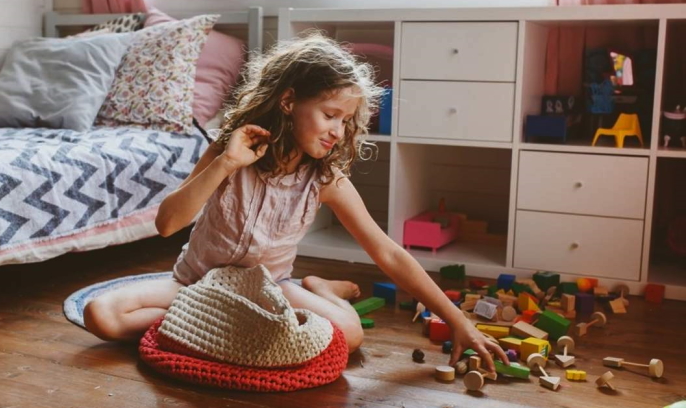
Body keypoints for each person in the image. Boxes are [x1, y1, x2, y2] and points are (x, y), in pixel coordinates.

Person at [84, 32, 508, 371]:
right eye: (329, 115)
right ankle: (210, 327)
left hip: (273, 291)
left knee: (350, 334)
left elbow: (388, 253)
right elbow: (167, 224)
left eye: (345, 121)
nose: (337, 132)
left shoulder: (325, 180)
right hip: (194, 285)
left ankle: (319, 291)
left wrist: (457, 320)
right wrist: (226, 163)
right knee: (101, 314)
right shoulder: (228, 152)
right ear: (288, 101)